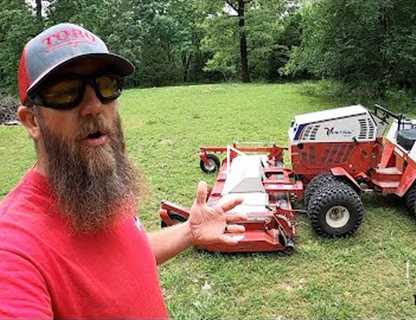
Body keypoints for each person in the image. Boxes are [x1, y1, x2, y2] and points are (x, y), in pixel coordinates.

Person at [0, 23, 246, 319]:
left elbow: (127, 256)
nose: (93, 106)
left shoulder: (95, 185)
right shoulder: (13, 250)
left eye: (105, 85)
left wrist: (188, 232)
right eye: (66, 91)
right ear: (31, 121)